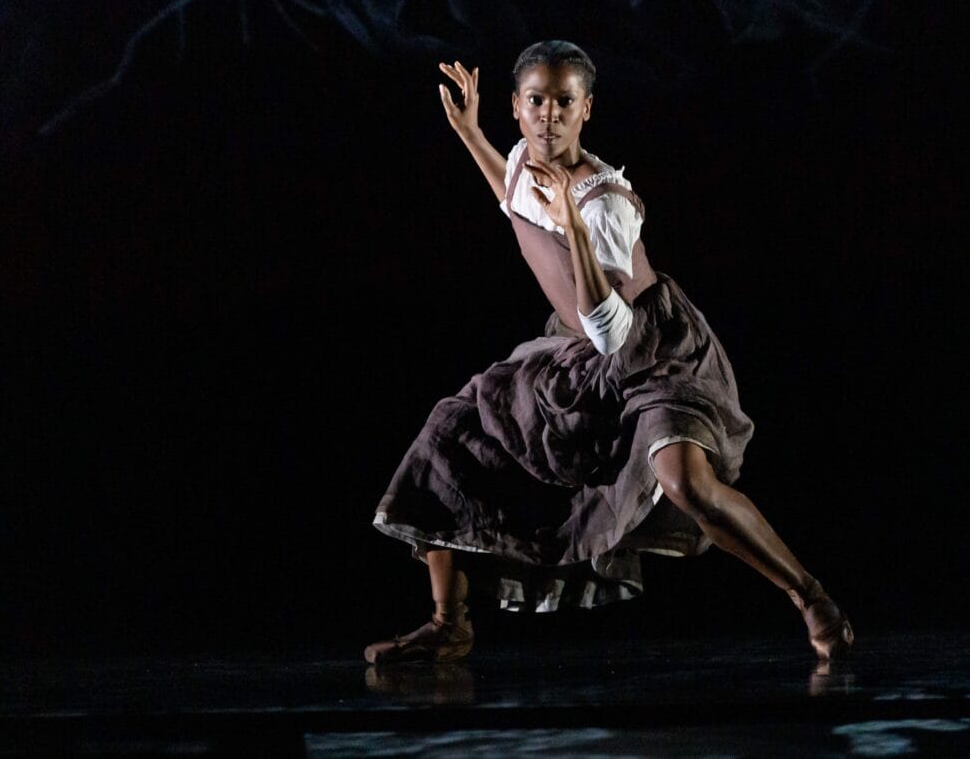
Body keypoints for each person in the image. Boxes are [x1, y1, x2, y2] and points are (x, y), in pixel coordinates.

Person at [364, 40, 853, 665]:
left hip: (650, 351)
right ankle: (448, 622)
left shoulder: (605, 203)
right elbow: (512, 195)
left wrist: (573, 223)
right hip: (576, 355)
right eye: (536, 101)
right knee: (454, 431)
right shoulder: (520, 159)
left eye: (563, 102)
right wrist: (469, 134)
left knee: (686, 485)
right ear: (516, 107)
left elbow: (614, 334)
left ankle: (809, 594)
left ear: (586, 109)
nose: (548, 116)